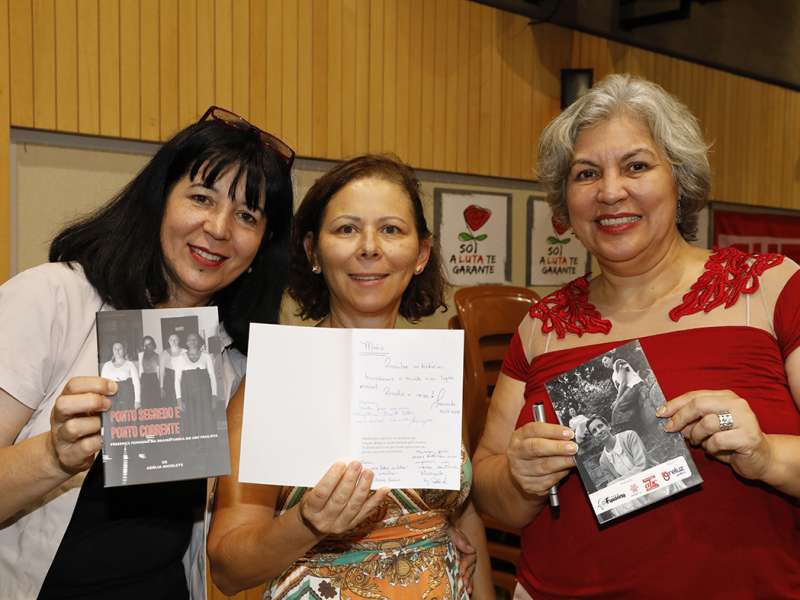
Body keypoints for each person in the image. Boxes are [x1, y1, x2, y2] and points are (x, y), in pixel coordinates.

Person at [472, 74, 800, 598]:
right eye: (585, 173)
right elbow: (490, 497)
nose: (609, 191)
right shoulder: (542, 325)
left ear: (680, 178)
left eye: (637, 166)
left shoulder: (774, 289)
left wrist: (765, 455)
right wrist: (518, 476)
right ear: (564, 201)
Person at [0, 106, 294, 599]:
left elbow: (235, 543)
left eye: (248, 215)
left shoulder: (235, 363)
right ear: (159, 202)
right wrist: (53, 455)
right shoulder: (53, 300)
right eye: (201, 197)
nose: (219, 228)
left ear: (261, 248)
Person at [208, 155, 493, 599]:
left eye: (392, 229)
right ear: (312, 251)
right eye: (346, 228)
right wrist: (306, 524)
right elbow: (227, 567)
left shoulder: (430, 370)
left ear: (421, 254)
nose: (369, 247)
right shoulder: (277, 377)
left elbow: (462, 511)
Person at [175, 332, 218, 437]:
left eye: (195, 339)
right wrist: (179, 399)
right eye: (190, 339)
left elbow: (212, 377)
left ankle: (206, 447)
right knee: (191, 420)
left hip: (204, 395)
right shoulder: (181, 358)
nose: (192, 342)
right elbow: (177, 379)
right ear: (186, 342)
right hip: (188, 395)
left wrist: (214, 396)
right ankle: (194, 448)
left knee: (206, 419)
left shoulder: (206, 356)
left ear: (199, 342)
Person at [101, 341, 141, 410]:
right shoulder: (107, 365)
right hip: (111, 398)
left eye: (120, 348)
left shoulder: (130, 364)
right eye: (115, 349)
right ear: (112, 351)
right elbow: (102, 384)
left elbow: (136, 383)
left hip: (126, 398)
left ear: (124, 350)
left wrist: (137, 401)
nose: (117, 350)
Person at [162, 333, 186, 407]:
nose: (173, 341)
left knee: (182, 397)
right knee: (171, 401)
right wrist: (161, 387)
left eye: (175, 339)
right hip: (169, 378)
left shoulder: (185, 351)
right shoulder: (164, 353)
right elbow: (161, 371)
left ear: (179, 341)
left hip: (182, 377)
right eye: (171, 340)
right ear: (169, 342)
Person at [138, 335, 161, 408]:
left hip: (154, 379)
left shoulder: (157, 356)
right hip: (144, 379)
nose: (147, 346)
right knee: (145, 402)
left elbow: (159, 372)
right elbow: (140, 369)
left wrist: (160, 386)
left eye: (149, 344)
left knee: (155, 402)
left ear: (153, 345)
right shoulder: (140, 355)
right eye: (145, 344)